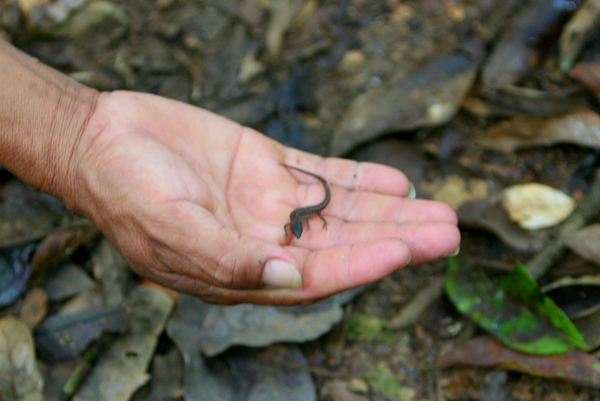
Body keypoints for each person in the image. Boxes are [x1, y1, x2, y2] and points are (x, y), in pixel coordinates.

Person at [0, 39, 460, 305]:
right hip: (310, 204)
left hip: (314, 203)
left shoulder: (304, 216)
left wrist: (79, 129)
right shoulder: (295, 220)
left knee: (322, 201)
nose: (298, 228)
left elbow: (305, 215)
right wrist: (77, 136)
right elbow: (295, 221)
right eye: (298, 227)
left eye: (299, 226)